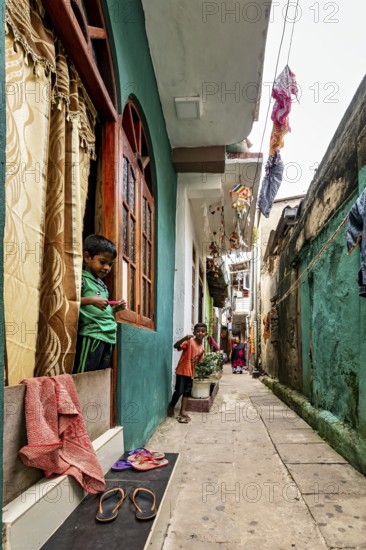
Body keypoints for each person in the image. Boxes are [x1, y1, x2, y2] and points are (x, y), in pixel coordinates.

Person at [73, 234, 126, 373]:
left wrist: (114, 309)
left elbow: (100, 309)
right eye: (102, 262)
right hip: (92, 334)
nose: (107, 267)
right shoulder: (81, 280)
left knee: (98, 376)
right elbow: (67, 302)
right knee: (84, 375)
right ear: (87, 257)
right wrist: (91, 300)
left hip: (109, 336)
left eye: (110, 264)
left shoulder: (102, 285)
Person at [167, 323, 208, 423]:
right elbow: (176, 346)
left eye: (202, 331)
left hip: (190, 373)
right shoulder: (189, 341)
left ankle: (183, 411)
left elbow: (198, 362)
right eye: (198, 331)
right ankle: (171, 406)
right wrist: (184, 338)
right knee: (179, 390)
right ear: (194, 332)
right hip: (182, 371)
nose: (200, 333)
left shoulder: (202, 348)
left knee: (187, 392)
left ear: (205, 334)